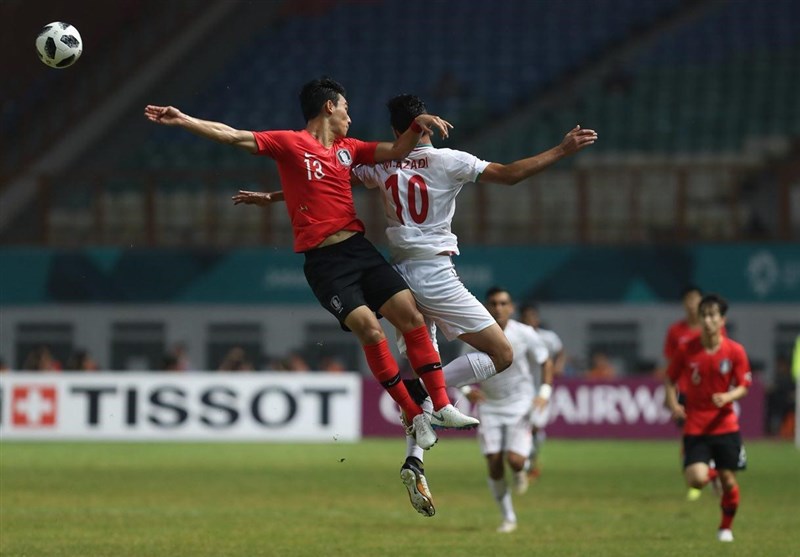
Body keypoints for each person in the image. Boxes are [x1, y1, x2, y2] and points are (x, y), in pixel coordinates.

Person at [236, 92, 595, 514]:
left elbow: (323, 178)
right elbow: (511, 174)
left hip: (396, 276)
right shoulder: (450, 160)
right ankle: (429, 401)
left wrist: (271, 198)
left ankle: (415, 459)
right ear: (424, 124)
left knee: (427, 367)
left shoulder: (382, 164)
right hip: (435, 276)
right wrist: (562, 149)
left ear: (396, 131)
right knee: (501, 353)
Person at [148, 76, 476, 450]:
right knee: (370, 330)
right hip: (325, 264)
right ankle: (413, 413)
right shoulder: (290, 143)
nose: (351, 118)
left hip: (358, 249)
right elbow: (235, 136)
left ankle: (442, 405)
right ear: (329, 106)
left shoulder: (349, 149)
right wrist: (184, 120)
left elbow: (399, 150)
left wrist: (419, 123)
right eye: (347, 109)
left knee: (412, 317)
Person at [461, 287, 552, 532]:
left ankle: (522, 469)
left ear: (511, 307)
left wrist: (544, 393)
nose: (498, 308)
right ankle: (508, 517)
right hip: (489, 406)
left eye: (503, 303)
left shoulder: (524, 334)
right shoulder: (475, 334)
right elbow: (462, 369)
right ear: (486, 306)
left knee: (514, 460)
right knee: (493, 463)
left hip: (520, 405)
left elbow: (545, 360)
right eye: (494, 303)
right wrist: (467, 391)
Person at [664, 293, 752, 543]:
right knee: (695, 480)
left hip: (725, 425)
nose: (708, 320)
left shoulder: (735, 351)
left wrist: (728, 397)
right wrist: (673, 402)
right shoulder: (687, 349)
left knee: (729, 479)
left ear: (722, 319)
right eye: (704, 315)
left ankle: (725, 527)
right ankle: (710, 472)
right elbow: (670, 379)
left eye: (713, 315)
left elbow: (744, 384)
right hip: (696, 424)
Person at [519, 302, 564, 481]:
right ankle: (525, 461)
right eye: (526, 317)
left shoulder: (548, 338)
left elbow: (561, 352)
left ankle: (532, 459)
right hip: (520, 390)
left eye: (533, 316)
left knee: (536, 427)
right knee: (523, 427)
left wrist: (558, 366)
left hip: (540, 389)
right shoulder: (515, 337)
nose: (530, 320)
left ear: (537, 318)